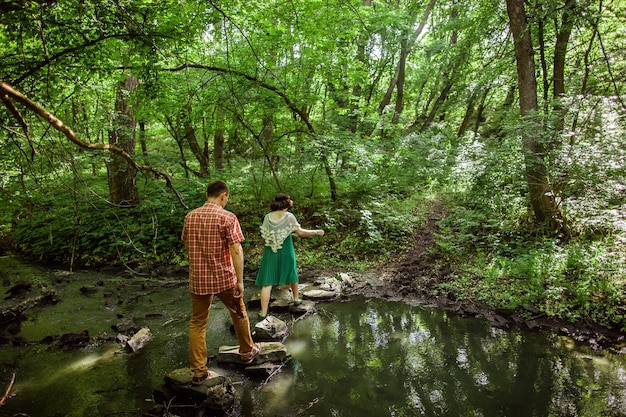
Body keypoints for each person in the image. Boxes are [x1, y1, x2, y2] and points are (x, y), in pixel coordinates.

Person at [181, 180, 260, 385]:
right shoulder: (227, 217)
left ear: (208, 194)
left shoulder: (190, 217)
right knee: (239, 313)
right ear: (223, 195)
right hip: (225, 278)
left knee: (198, 323)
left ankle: (199, 370)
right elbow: (236, 250)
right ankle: (246, 352)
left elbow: (188, 247)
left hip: (198, 279)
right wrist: (240, 281)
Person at [255, 193, 325, 319]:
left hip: (271, 250)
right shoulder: (289, 216)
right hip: (286, 249)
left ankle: (263, 313)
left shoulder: (267, 217)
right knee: (292, 273)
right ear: (286, 203)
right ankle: (296, 299)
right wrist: (316, 232)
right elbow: (301, 233)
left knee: (267, 281)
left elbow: (264, 234)